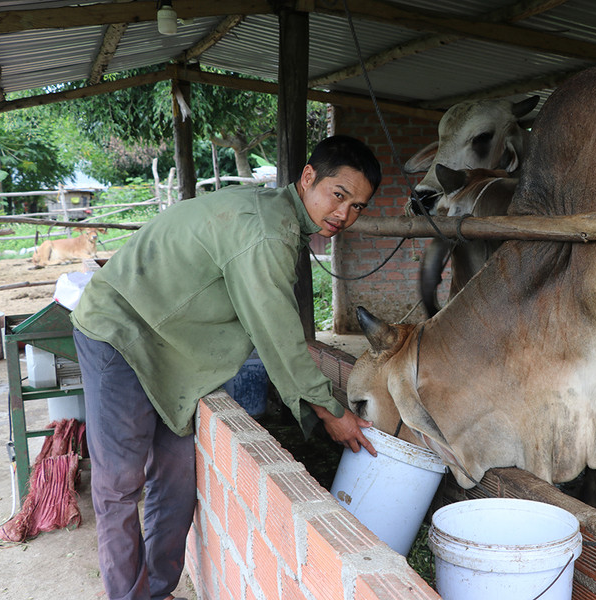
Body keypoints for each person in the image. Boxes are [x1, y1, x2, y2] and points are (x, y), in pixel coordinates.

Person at [71, 134, 381, 600]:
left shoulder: (280, 220)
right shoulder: (265, 229)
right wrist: (328, 410)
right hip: (121, 329)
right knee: (119, 483)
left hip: (171, 348)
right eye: (339, 196)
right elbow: (276, 334)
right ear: (309, 177)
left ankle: (157, 590)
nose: (344, 215)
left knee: (175, 480)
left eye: (358, 207)